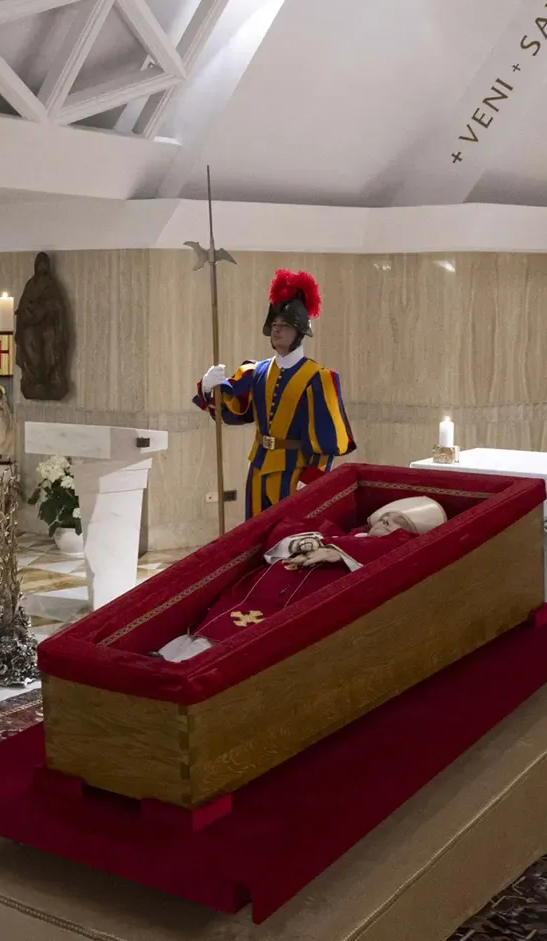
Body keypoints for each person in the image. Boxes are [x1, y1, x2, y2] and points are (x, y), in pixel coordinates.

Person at [157, 496, 448, 662]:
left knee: (240, 644)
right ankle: (169, 658)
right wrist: (304, 543)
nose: (387, 523)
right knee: (221, 620)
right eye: (387, 517)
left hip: (301, 599)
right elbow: (290, 529)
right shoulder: (341, 534)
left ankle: (187, 667)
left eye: (400, 524)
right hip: (264, 588)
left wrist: (339, 552)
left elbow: (400, 554)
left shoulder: (390, 549)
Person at [194, 269, 355, 517]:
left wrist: (311, 481)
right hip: (258, 468)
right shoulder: (255, 371)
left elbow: (327, 443)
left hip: (295, 473)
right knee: (255, 531)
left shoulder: (318, 378)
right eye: (275, 325)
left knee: (288, 533)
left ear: (299, 331)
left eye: (284, 325)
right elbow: (232, 412)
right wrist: (208, 387)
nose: (276, 330)